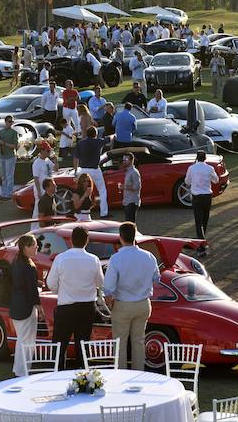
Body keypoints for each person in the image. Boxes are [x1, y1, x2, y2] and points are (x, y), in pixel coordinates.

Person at [103, 222, 160, 370]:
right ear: (135, 236)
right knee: (139, 341)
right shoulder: (148, 256)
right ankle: (138, 373)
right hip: (143, 303)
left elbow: (108, 286)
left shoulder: (116, 258)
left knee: (120, 343)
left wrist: (109, 299)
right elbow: (156, 278)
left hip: (123, 304)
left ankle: (121, 374)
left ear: (120, 238)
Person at [47, 225, 104, 369]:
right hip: (87, 306)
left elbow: (51, 284)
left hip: (66, 306)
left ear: (71, 240)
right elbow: (100, 283)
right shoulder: (94, 259)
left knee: (60, 345)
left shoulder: (61, 258)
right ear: (87, 241)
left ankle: (57, 373)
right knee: (83, 345)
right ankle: (83, 376)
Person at [10, 234, 41, 376]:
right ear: (25, 247)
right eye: (34, 244)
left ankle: (19, 370)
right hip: (26, 308)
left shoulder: (16, 261)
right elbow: (32, 290)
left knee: (22, 339)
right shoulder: (28, 265)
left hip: (15, 305)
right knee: (27, 341)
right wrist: (39, 306)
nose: (37, 247)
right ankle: (22, 372)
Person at [185, 151, 219, 249]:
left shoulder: (191, 168)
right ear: (205, 158)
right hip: (207, 196)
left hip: (196, 196)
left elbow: (187, 181)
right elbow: (216, 180)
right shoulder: (209, 168)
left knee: (198, 220)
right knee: (205, 218)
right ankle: (202, 239)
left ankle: (201, 242)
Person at [74, 126, 108, 218]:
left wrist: (75, 171)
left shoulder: (80, 143)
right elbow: (109, 138)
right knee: (102, 190)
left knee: (81, 190)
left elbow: (76, 158)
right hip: (95, 169)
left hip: (83, 169)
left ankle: (80, 211)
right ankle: (104, 213)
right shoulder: (98, 142)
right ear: (95, 134)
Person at [31, 142, 57, 218]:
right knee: (38, 210)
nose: (49, 152)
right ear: (42, 151)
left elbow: (56, 169)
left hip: (48, 188)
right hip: (41, 189)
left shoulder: (47, 160)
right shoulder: (37, 163)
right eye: (47, 151)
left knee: (49, 209)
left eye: (49, 151)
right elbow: (36, 178)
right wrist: (39, 192)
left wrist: (55, 160)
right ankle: (35, 228)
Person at [0, 115, 19, 202]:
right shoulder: (0, 132)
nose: (11, 123)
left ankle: (9, 194)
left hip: (10, 156)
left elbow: (15, 146)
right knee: (3, 176)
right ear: (5, 122)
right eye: (9, 121)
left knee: (9, 176)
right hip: (1, 156)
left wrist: (3, 143)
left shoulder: (14, 132)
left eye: (12, 121)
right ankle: (4, 193)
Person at [121, 153, 142, 223]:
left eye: (125, 160)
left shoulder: (134, 172)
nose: (124, 161)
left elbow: (137, 186)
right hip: (127, 201)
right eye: (123, 160)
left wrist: (124, 187)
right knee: (129, 222)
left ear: (131, 160)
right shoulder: (128, 171)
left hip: (132, 201)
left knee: (130, 223)